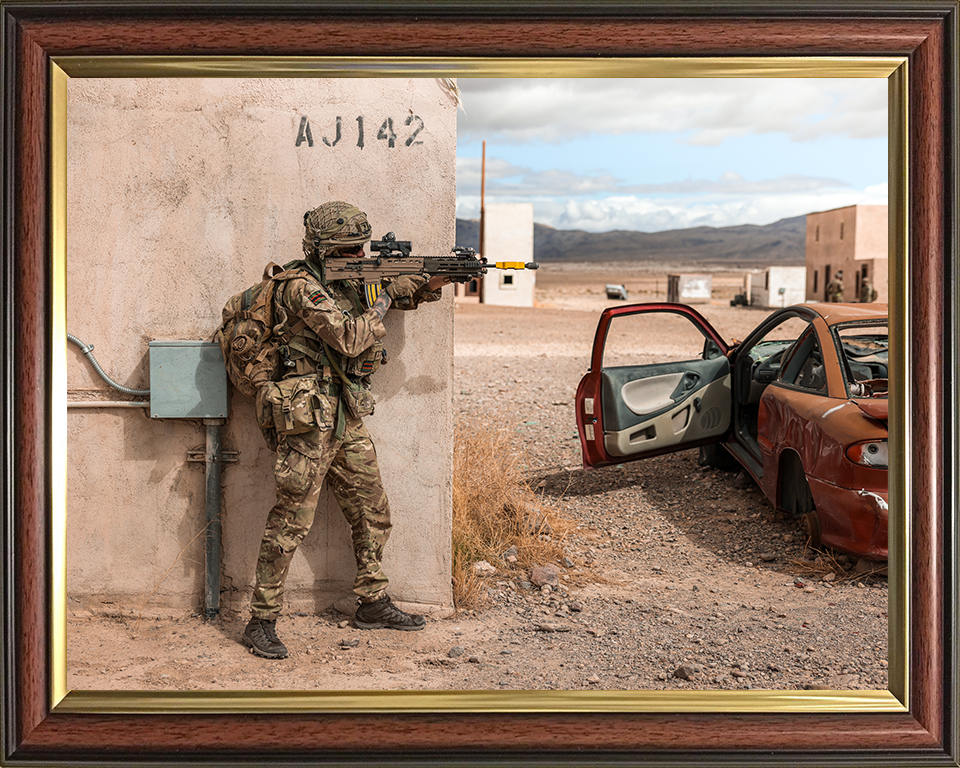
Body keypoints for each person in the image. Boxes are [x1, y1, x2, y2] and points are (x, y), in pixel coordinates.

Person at [242, 200, 447, 659]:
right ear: (319, 249)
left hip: (344, 412)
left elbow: (382, 294)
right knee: (291, 520)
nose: (358, 257)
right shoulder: (301, 287)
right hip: (307, 417)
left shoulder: (347, 276)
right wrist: (391, 296)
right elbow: (351, 337)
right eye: (347, 250)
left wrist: (428, 280)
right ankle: (261, 619)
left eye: (361, 248)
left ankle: (372, 602)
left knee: (372, 508)